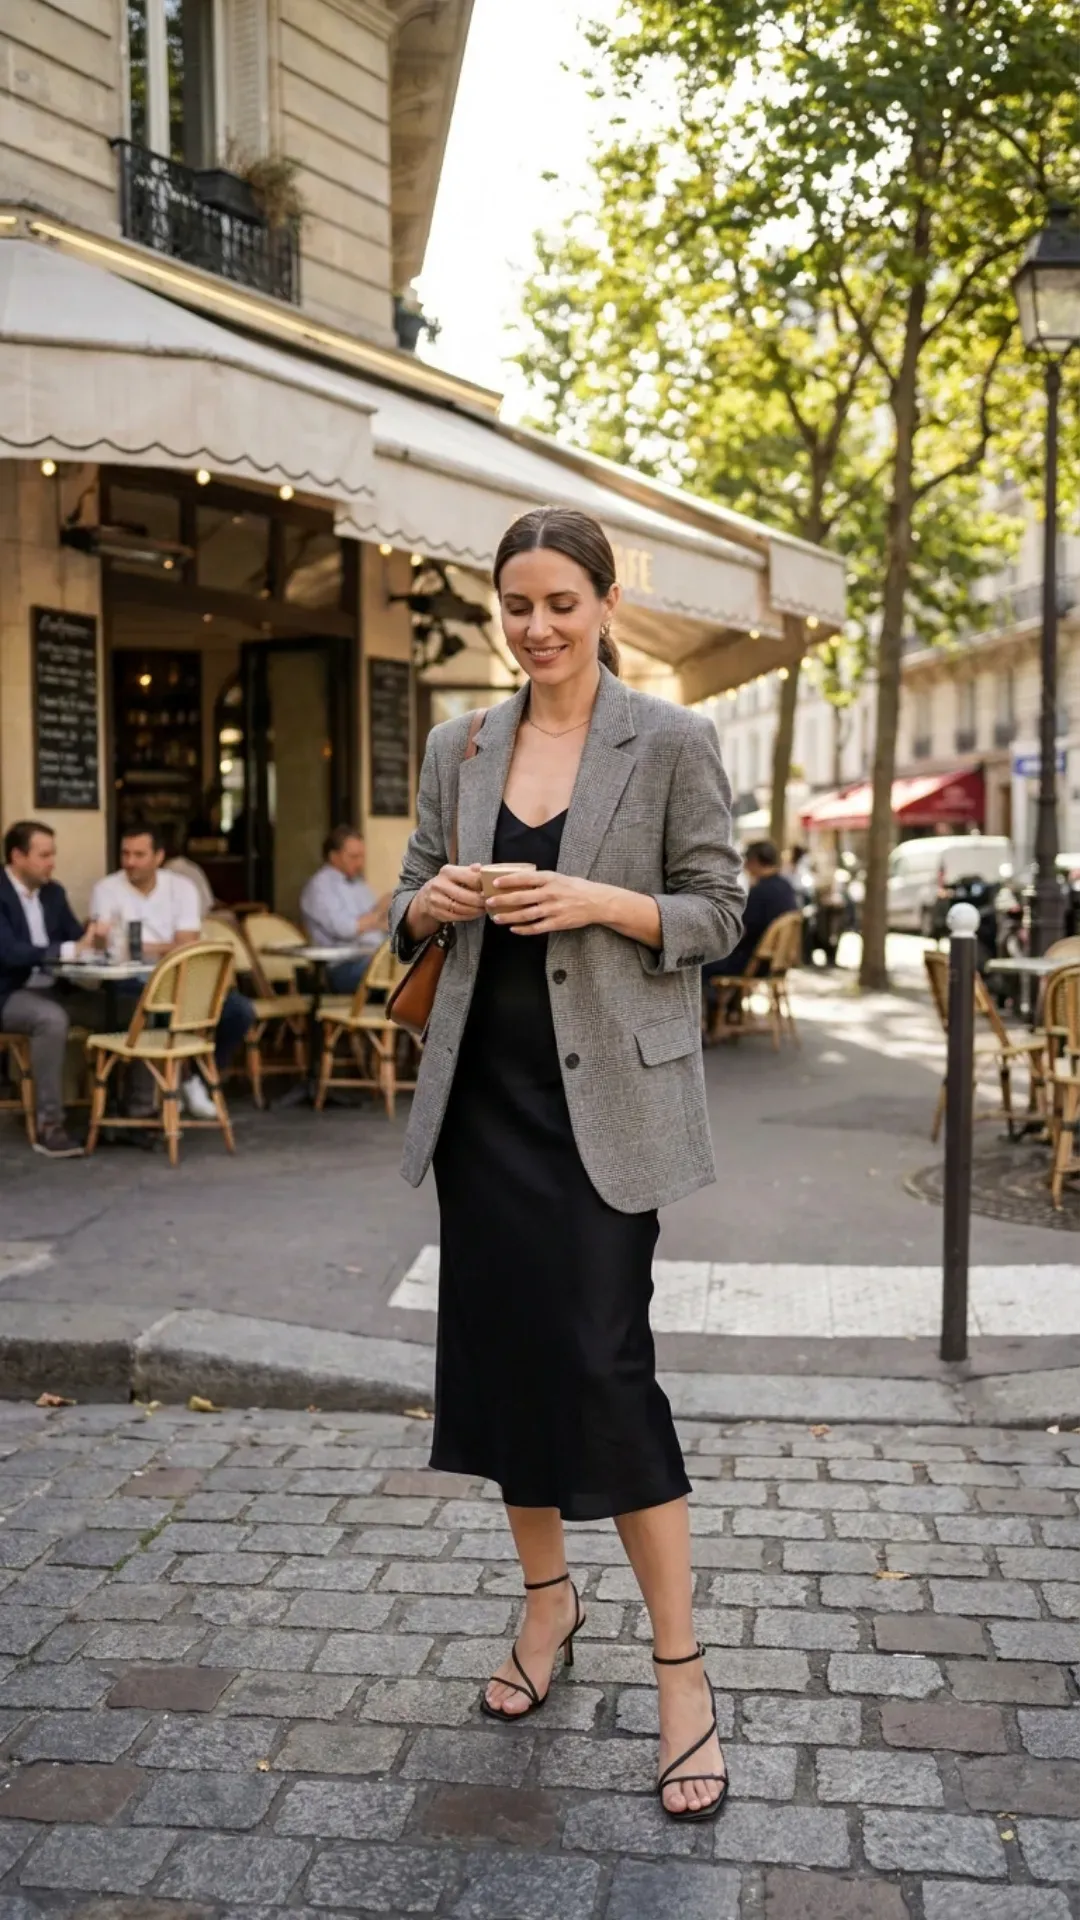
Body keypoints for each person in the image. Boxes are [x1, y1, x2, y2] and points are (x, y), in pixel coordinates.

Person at [391, 506, 743, 1822]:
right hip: (481, 1105)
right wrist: (429, 902)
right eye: (516, 604)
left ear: (605, 605)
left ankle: (682, 1670)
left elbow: (719, 909)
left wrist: (599, 902)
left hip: (607, 1112)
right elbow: (405, 899)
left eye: (560, 603)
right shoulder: (460, 743)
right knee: (500, 1365)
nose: (537, 628)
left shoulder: (671, 741)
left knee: (604, 1368)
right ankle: (548, 1605)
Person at [90, 826, 254, 1121]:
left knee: (239, 1011)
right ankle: (171, 1084)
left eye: (139, 855)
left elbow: (187, 943)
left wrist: (138, 946)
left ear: (158, 857)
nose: (130, 862)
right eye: (125, 854)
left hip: (182, 977)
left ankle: (195, 1079)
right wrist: (102, 939)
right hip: (129, 980)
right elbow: (104, 946)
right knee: (151, 1011)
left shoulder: (181, 888)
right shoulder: (107, 888)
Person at [0, 820, 108, 1157]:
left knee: (123, 1007)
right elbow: (9, 953)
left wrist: (94, 941)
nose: (52, 863)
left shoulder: (53, 893)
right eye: (44, 855)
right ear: (17, 856)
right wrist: (67, 949)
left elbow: (76, 939)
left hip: (55, 988)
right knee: (50, 1019)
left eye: (53, 854)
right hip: (8, 993)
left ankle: (129, 1112)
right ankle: (50, 1126)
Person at [703, 839, 798, 1001]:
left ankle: (715, 1011)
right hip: (775, 962)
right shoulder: (786, 886)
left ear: (754, 861)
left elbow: (743, 929)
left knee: (700, 964)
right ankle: (730, 1008)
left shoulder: (760, 891)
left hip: (755, 963)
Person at [300, 827, 391, 993]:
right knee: (406, 975)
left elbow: (379, 924)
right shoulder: (320, 887)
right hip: (343, 967)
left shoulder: (359, 885)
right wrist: (379, 912)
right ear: (334, 856)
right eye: (354, 857)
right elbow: (346, 929)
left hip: (373, 957)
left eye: (362, 857)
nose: (360, 863)